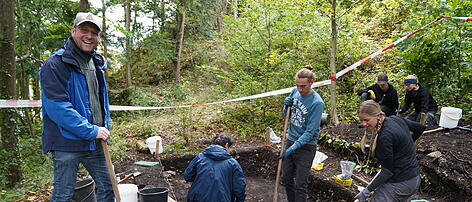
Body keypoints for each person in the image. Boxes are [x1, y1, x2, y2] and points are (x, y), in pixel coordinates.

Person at [39, 12, 114, 201]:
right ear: (73, 31)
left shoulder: (96, 64)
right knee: (63, 195)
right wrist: (91, 130)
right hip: (66, 143)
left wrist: (104, 125)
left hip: (94, 142)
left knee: (108, 187)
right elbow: (58, 108)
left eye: (94, 32)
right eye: (84, 30)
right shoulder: (55, 64)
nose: (89, 36)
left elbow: (99, 101)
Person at [354, 100, 425, 202]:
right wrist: (405, 144)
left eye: (367, 120)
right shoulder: (395, 119)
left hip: (402, 182)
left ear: (378, 116)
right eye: (362, 120)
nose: (364, 124)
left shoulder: (385, 137)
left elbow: (387, 171)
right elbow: (420, 128)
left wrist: (366, 192)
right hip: (414, 178)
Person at [281, 67, 324, 202]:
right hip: (291, 140)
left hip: (306, 147)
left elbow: (310, 132)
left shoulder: (317, 103)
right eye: (297, 85)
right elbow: (286, 115)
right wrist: (285, 106)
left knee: (300, 184)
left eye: (303, 86)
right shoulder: (294, 92)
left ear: (312, 82)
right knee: (286, 179)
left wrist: (293, 148)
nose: (300, 89)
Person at [184, 133, 246, 202]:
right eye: (230, 147)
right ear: (226, 145)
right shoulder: (233, 163)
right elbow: (239, 188)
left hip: (196, 198)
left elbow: (187, 176)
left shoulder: (200, 157)